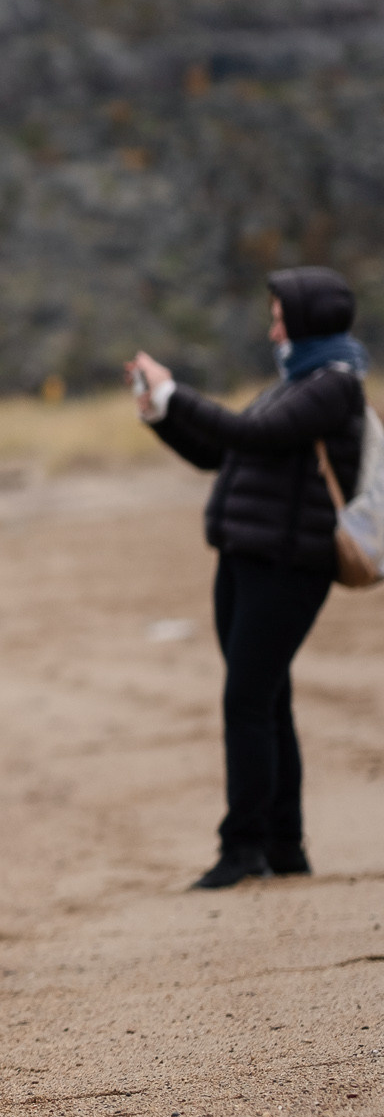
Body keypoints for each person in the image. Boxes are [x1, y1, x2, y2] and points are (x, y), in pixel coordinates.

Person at [127, 267, 368, 889]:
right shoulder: (295, 385)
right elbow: (221, 452)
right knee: (267, 699)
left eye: (281, 316)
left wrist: (176, 392)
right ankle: (283, 845)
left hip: (289, 566)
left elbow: (250, 434)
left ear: (309, 319)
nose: (273, 327)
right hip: (247, 559)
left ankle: (244, 848)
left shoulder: (333, 387)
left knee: (247, 701)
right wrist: (161, 414)